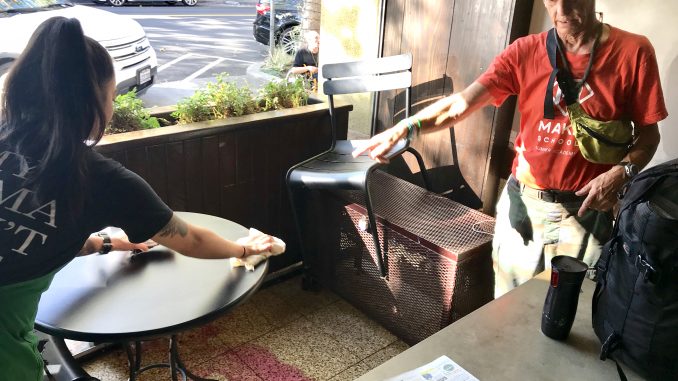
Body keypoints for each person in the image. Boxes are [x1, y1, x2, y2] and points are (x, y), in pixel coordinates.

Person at [0, 17, 276, 380]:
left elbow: (35, 228)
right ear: (91, 103)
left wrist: (106, 244)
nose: (111, 107)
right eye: (111, 96)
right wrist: (246, 249)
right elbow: (190, 239)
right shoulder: (101, 179)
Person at [353, 0, 667, 297]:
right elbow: (462, 104)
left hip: (587, 212)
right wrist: (406, 127)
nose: (562, 10)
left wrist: (621, 173)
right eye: (552, 0)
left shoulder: (633, 51)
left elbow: (649, 137)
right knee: (508, 309)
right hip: (524, 205)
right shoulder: (525, 51)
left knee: (572, 312)